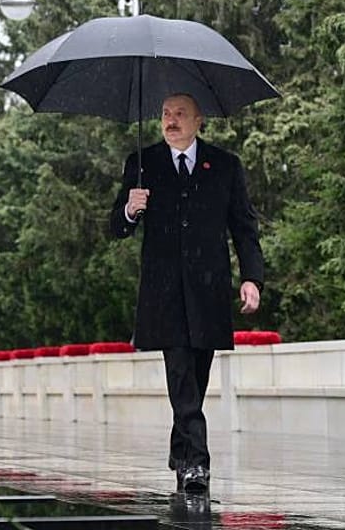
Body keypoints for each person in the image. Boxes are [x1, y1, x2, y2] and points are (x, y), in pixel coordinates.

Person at [109, 92, 264, 494]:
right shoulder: (142, 164)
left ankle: (181, 449)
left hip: (208, 291)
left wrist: (252, 278)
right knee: (179, 371)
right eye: (165, 114)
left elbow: (244, 228)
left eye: (179, 114)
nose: (170, 121)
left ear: (198, 121)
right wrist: (130, 208)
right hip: (163, 293)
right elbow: (116, 227)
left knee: (196, 375)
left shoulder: (225, 166)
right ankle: (196, 463)